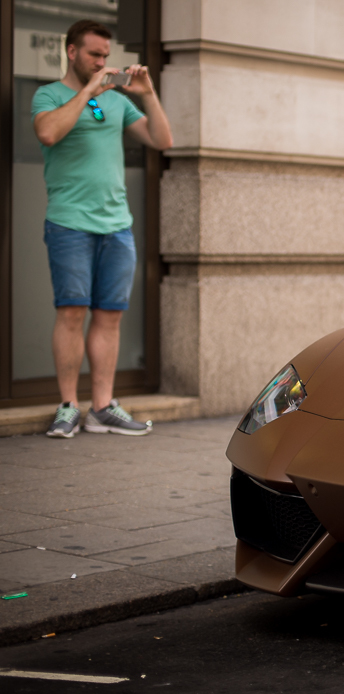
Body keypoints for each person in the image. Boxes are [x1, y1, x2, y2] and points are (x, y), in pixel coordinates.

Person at [33, 20, 172, 438]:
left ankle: (102, 407)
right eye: (94, 54)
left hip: (117, 226)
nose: (102, 63)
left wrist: (147, 95)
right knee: (72, 312)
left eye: (106, 57)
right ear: (72, 52)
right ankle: (67, 406)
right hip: (69, 223)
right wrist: (88, 92)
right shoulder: (50, 95)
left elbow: (162, 140)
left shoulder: (117, 102)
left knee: (109, 318)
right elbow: (48, 132)